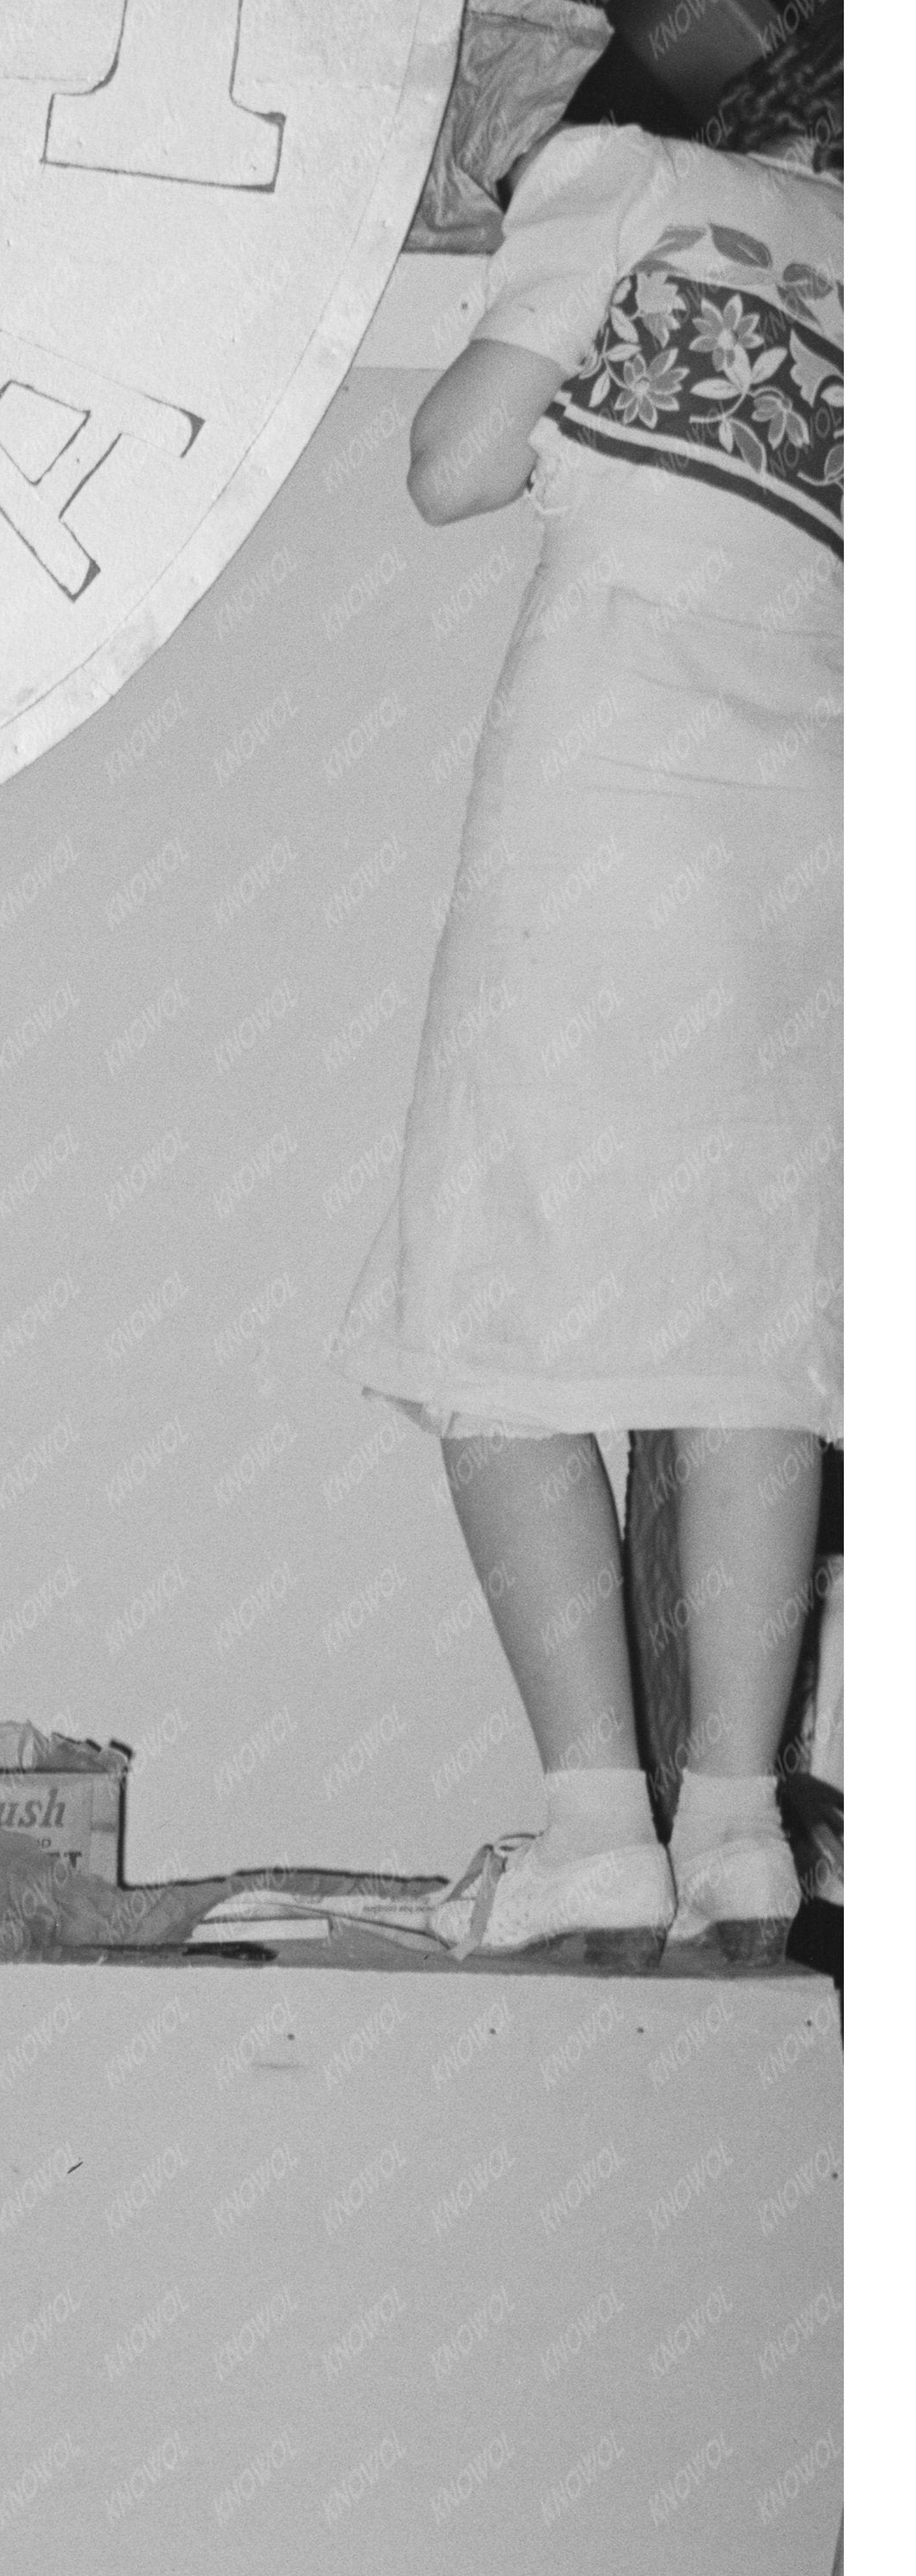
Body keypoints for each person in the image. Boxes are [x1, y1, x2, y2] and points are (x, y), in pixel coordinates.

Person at [336, 116, 841, 1952]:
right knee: (752, 1350)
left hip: (607, 805)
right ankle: (735, 1828)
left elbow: (450, 466)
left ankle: (589, 1826)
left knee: (497, 1321)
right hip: (825, 847)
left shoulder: (629, 175)